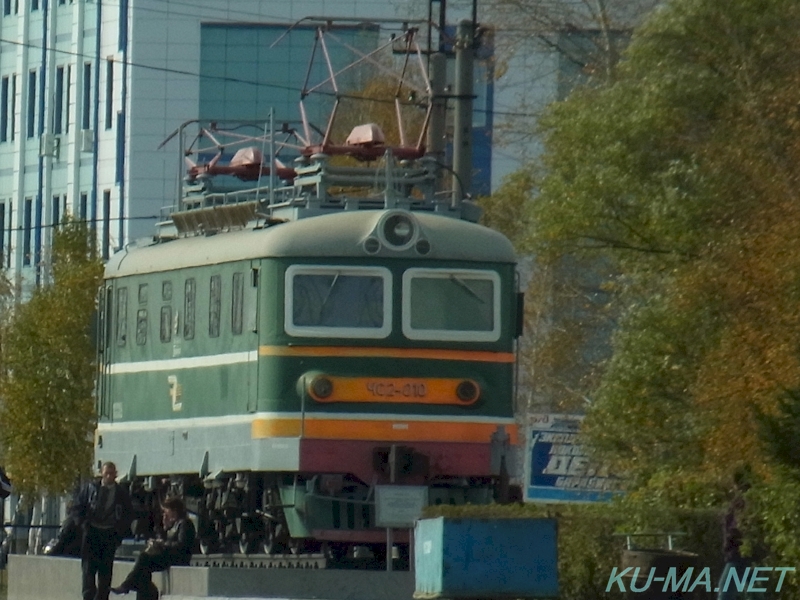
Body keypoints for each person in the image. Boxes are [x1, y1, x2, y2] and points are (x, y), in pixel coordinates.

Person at [111, 496, 196, 600]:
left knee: (144, 558)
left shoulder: (185, 524)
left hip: (178, 558)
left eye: (166, 511)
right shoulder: (173, 525)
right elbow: (166, 539)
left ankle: (127, 585)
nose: (164, 514)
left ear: (174, 511)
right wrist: (163, 529)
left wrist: (162, 544)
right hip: (168, 556)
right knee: (143, 572)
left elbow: (182, 545)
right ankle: (146, 590)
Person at [72, 462, 133, 600]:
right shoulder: (90, 488)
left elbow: (128, 514)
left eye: (112, 473)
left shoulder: (121, 493)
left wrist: (119, 533)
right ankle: (88, 596)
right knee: (88, 570)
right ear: (102, 473)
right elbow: (78, 506)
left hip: (109, 534)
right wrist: (82, 524)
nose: (109, 476)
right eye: (107, 473)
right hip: (91, 533)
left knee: (105, 572)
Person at [717, 469, 752, 600]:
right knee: (754, 592)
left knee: (725, 591)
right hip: (747, 553)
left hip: (738, 554)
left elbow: (736, 527)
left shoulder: (741, 502)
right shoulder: (747, 501)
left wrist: (729, 541)